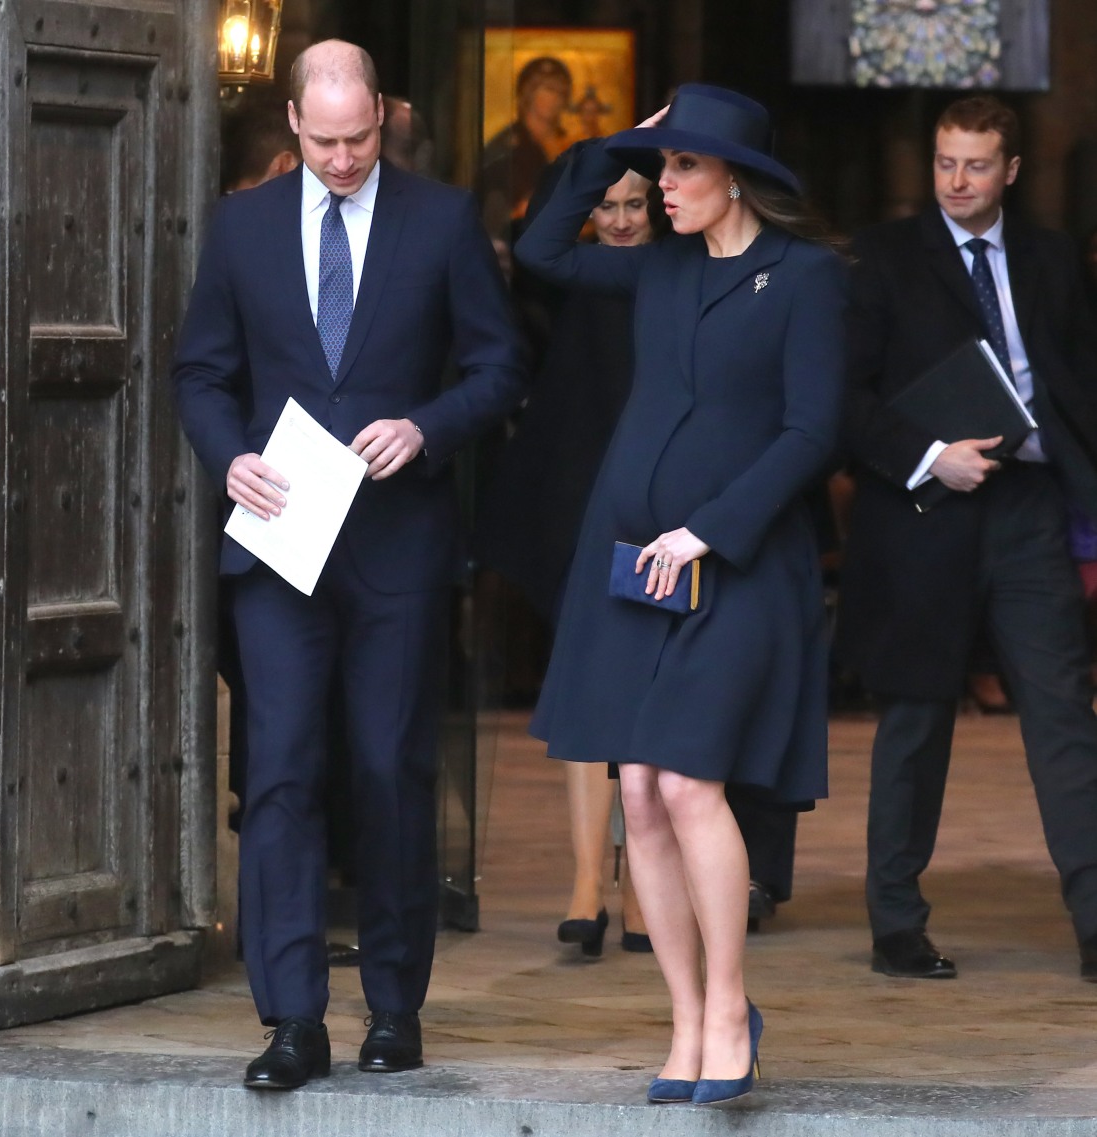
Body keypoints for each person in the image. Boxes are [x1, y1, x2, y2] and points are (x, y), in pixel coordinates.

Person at [171, 39, 525, 1090]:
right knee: (279, 773)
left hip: (396, 545)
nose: (341, 158)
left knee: (388, 767)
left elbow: (500, 364)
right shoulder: (240, 226)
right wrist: (228, 456)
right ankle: (291, 1018)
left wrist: (426, 427)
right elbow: (200, 371)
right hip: (278, 543)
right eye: (324, 140)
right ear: (293, 121)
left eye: (359, 138)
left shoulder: (441, 219)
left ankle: (394, 1005)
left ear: (382, 117)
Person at [515, 84, 847, 1105]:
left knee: (689, 782)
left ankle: (729, 1009)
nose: (661, 184)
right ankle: (686, 1015)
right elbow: (540, 251)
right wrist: (611, 146)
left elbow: (811, 431)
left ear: (734, 178)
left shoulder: (803, 277)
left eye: (682, 165)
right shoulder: (656, 265)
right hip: (632, 569)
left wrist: (710, 527)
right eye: (662, 165)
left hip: (735, 566)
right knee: (639, 789)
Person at [836, 95, 1097, 983]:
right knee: (916, 718)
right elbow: (844, 396)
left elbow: (1080, 381)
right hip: (926, 511)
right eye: (946, 162)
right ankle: (896, 924)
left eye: (976, 165)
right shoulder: (882, 256)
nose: (957, 180)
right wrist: (929, 457)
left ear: (1010, 171)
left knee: (1063, 713)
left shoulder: (1053, 258)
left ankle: (1096, 920)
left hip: (1029, 509)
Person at [479, 164, 660, 956]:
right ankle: (587, 881)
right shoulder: (566, 273)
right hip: (576, 502)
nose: (618, 220)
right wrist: (604, 156)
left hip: (656, 502)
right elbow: (534, 243)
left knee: (650, 699)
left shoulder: (681, 272)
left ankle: (644, 884)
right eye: (604, 205)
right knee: (586, 687)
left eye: (634, 204)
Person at [479, 56, 573, 237]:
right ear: (528, 92)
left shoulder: (569, 144)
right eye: (549, 89)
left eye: (561, 91)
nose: (556, 98)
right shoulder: (506, 148)